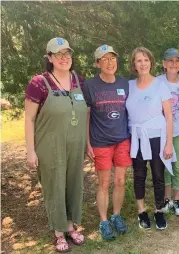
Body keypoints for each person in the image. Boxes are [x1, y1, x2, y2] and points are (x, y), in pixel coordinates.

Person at [25, 37, 86, 252]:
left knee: (73, 184)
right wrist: (31, 151)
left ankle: (70, 226)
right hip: (50, 146)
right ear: (49, 58)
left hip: (76, 146)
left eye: (67, 54)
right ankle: (59, 232)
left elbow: (85, 113)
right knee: (55, 187)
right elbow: (29, 119)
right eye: (58, 54)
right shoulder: (39, 83)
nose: (64, 58)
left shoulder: (78, 80)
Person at [82, 44, 131, 240]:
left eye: (112, 58)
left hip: (122, 140)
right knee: (104, 182)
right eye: (104, 59)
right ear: (97, 63)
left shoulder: (124, 83)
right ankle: (103, 221)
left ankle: (116, 216)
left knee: (120, 181)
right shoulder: (90, 86)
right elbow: (86, 116)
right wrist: (88, 143)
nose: (110, 63)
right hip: (100, 142)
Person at [126, 47, 176, 230]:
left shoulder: (160, 85)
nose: (143, 63)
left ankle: (159, 210)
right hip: (137, 137)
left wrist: (169, 143)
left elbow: (169, 116)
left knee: (158, 175)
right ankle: (141, 211)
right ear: (134, 64)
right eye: (139, 60)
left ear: (151, 62)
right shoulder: (129, 86)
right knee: (139, 174)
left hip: (157, 136)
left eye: (146, 60)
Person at [157, 48, 179, 216]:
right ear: (164, 63)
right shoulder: (157, 82)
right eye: (170, 61)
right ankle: (166, 199)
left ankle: (177, 200)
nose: (173, 64)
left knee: (177, 165)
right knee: (164, 165)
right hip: (161, 131)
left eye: (177, 61)